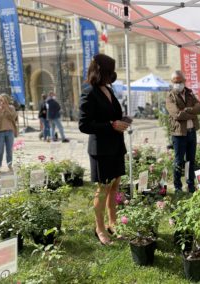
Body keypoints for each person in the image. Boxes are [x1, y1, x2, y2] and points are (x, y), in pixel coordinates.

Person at [79, 54, 130, 245]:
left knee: (114, 187)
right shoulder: (89, 92)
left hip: (116, 146)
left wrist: (122, 121)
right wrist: (111, 125)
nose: (113, 75)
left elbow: (112, 116)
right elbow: (84, 125)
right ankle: (99, 228)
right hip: (101, 150)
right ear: (102, 71)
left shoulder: (108, 90)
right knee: (102, 189)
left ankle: (113, 223)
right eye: (111, 71)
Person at [166, 70, 200, 193]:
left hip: (191, 132)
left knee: (191, 160)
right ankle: (177, 187)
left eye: (180, 81)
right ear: (172, 82)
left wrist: (188, 110)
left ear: (184, 81)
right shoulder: (170, 96)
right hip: (179, 134)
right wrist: (192, 113)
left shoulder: (190, 93)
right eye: (176, 82)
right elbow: (177, 115)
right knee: (179, 161)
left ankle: (190, 184)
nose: (178, 84)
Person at [0, 94, 18, 175]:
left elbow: (13, 117)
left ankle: (9, 166)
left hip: (9, 132)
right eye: (0, 100)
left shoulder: (11, 108)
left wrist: (7, 109)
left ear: (7, 101)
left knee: (9, 150)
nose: (2, 102)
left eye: (3, 100)